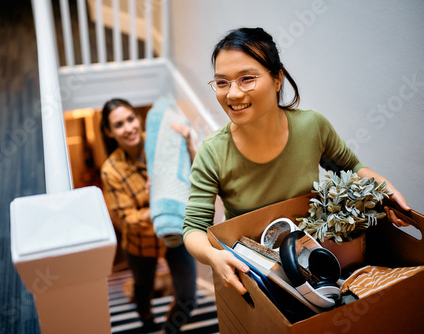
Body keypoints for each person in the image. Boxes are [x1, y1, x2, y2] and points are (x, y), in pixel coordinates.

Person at [182, 27, 411, 296]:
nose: (232, 94)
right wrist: (213, 256)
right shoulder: (213, 152)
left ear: (277, 79)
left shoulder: (312, 126)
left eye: (247, 79)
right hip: (256, 276)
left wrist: (385, 190)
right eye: (222, 82)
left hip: (316, 263)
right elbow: (193, 229)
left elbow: (352, 167)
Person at [100, 98, 197, 333]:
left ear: (139, 118)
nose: (129, 128)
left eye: (131, 119)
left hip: (175, 229)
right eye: (119, 124)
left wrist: (189, 144)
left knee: (188, 296)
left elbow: (192, 174)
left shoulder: (159, 143)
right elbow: (126, 220)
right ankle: (145, 318)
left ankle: (170, 330)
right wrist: (155, 202)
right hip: (139, 243)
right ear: (109, 132)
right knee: (143, 287)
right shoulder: (110, 171)